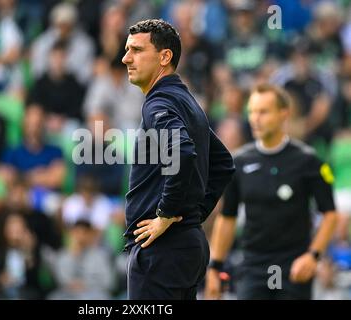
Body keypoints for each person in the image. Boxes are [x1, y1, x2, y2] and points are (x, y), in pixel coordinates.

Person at [122, 19, 235, 300]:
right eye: (127, 50)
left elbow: (182, 151)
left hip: (163, 250)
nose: (126, 58)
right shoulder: (185, 100)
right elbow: (223, 164)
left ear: (165, 56)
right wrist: (191, 215)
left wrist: (167, 214)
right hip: (187, 243)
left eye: (136, 50)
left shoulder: (159, 102)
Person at [204, 84, 338, 300]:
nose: (255, 119)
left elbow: (330, 214)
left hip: (293, 266)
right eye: (252, 112)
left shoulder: (308, 161)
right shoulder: (238, 162)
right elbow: (227, 217)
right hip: (253, 266)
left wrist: (313, 256)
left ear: (283, 114)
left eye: (263, 112)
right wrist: (215, 267)